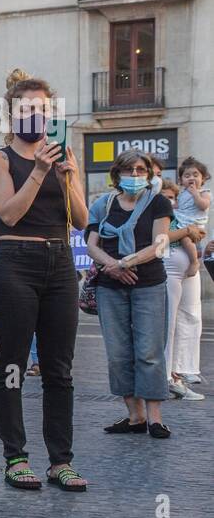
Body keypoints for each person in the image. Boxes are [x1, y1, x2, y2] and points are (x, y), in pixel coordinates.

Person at [0, 71, 88, 491]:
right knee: (11, 364)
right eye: (27, 108)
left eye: (43, 109)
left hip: (59, 261)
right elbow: (8, 213)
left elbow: (81, 219)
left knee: (59, 368)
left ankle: (60, 461)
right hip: (14, 261)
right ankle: (16, 457)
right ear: (11, 114)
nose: (36, 115)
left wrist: (67, 177)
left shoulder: (64, 157)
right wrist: (40, 172)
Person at [85, 150, 174, 438]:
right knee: (118, 353)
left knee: (149, 351)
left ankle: (155, 419)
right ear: (117, 174)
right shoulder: (104, 203)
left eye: (140, 170)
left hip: (148, 284)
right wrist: (112, 266)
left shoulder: (158, 202)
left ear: (148, 174)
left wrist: (126, 263)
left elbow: (160, 244)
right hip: (111, 287)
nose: (134, 175)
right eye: (128, 170)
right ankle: (134, 417)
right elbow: (91, 244)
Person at [165, 157, 208, 399]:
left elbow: (202, 206)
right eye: (187, 175)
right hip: (171, 261)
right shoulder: (176, 200)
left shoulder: (202, 194)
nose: (191, 179)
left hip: (190, 256)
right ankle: (169, 375)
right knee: (169, 320)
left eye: (196, 175)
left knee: (191, 315)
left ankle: (185, 369)